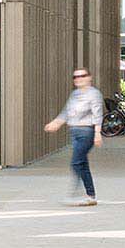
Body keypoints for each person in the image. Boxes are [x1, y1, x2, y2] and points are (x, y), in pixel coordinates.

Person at [45, 66, 103, 203]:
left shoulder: (94, 94)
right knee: (82, 163)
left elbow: (97, 114)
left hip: (86, 132)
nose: (78, 79)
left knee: (76, 162)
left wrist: (97, 133)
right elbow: (67, 112)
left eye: (82, 76)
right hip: (75, 132)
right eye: (75, 77)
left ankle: (78, 192)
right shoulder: (75, 94)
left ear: (89, 78)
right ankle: (90, 195)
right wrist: (56, 123)